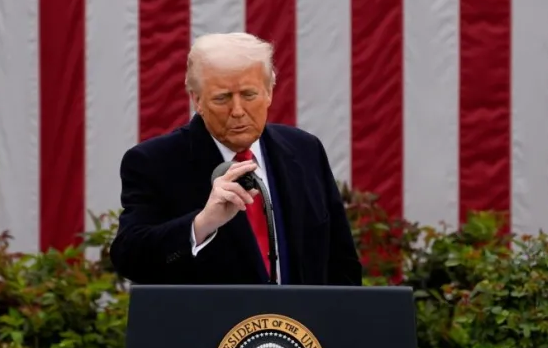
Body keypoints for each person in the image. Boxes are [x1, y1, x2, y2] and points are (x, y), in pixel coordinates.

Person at [109, 32, 363, 286]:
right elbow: (129, 258)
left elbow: (342, 263)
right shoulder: (154, 162)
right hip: (212, 313)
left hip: (301, 313)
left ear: (269, 93)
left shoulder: (305, 150)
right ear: (197, 100)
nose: (238, 111)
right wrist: (202, 224)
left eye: (249, 95)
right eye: (222, 98)